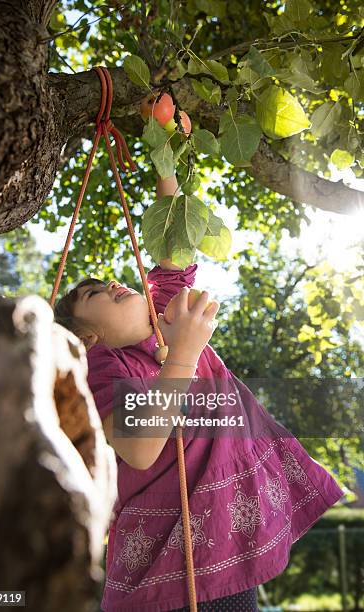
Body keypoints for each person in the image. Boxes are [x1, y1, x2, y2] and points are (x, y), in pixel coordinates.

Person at [53, 174, 344, 612]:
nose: (114, 284)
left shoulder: (162, 318)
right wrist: (185, 353)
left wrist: (165, 161)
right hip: (171, 553)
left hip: (225, 529)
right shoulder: (101, 363)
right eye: (95, 293)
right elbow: (139, 448)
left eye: (110, 281)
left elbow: (172, 253)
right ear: (89, 338)